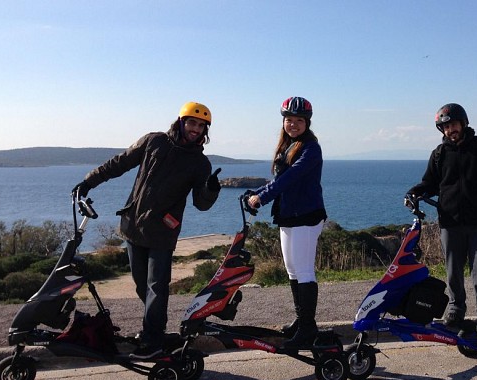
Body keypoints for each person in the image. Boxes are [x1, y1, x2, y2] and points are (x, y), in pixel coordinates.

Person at [72, 102, 222, 359]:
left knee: (157, 286)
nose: (195, 129)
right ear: (181, 121)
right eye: (192, 122)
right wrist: (89, 181)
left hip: (163, 232)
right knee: (142, 286)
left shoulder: (201, 163)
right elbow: (118, 164)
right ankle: (156, 332)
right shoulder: (154, 141)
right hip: (133, 226)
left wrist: (210, 189)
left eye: (201, 126)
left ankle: (153, 340)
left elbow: (201, 204)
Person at [406, 103, 477, 338]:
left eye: (453, 124)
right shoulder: (439, 154)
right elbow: (430, 184)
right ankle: (456, 310)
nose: (450, 130)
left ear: (463, 123)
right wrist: (414, 192)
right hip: (450, 222)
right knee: (453, 272)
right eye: (445, 127)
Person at [247, 97, 327, 350]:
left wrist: (262, 197)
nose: (293, 124)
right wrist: (257, 192)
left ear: (307, 123)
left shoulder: (311, 148)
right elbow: (280, 180)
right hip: (288, 216)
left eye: (298, 120)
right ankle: (301, 320)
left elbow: (290, 179)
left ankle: (307, 328)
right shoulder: (288, 146)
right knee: (293, 271)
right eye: (289, 120)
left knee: (304, 272)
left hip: (306, 217)